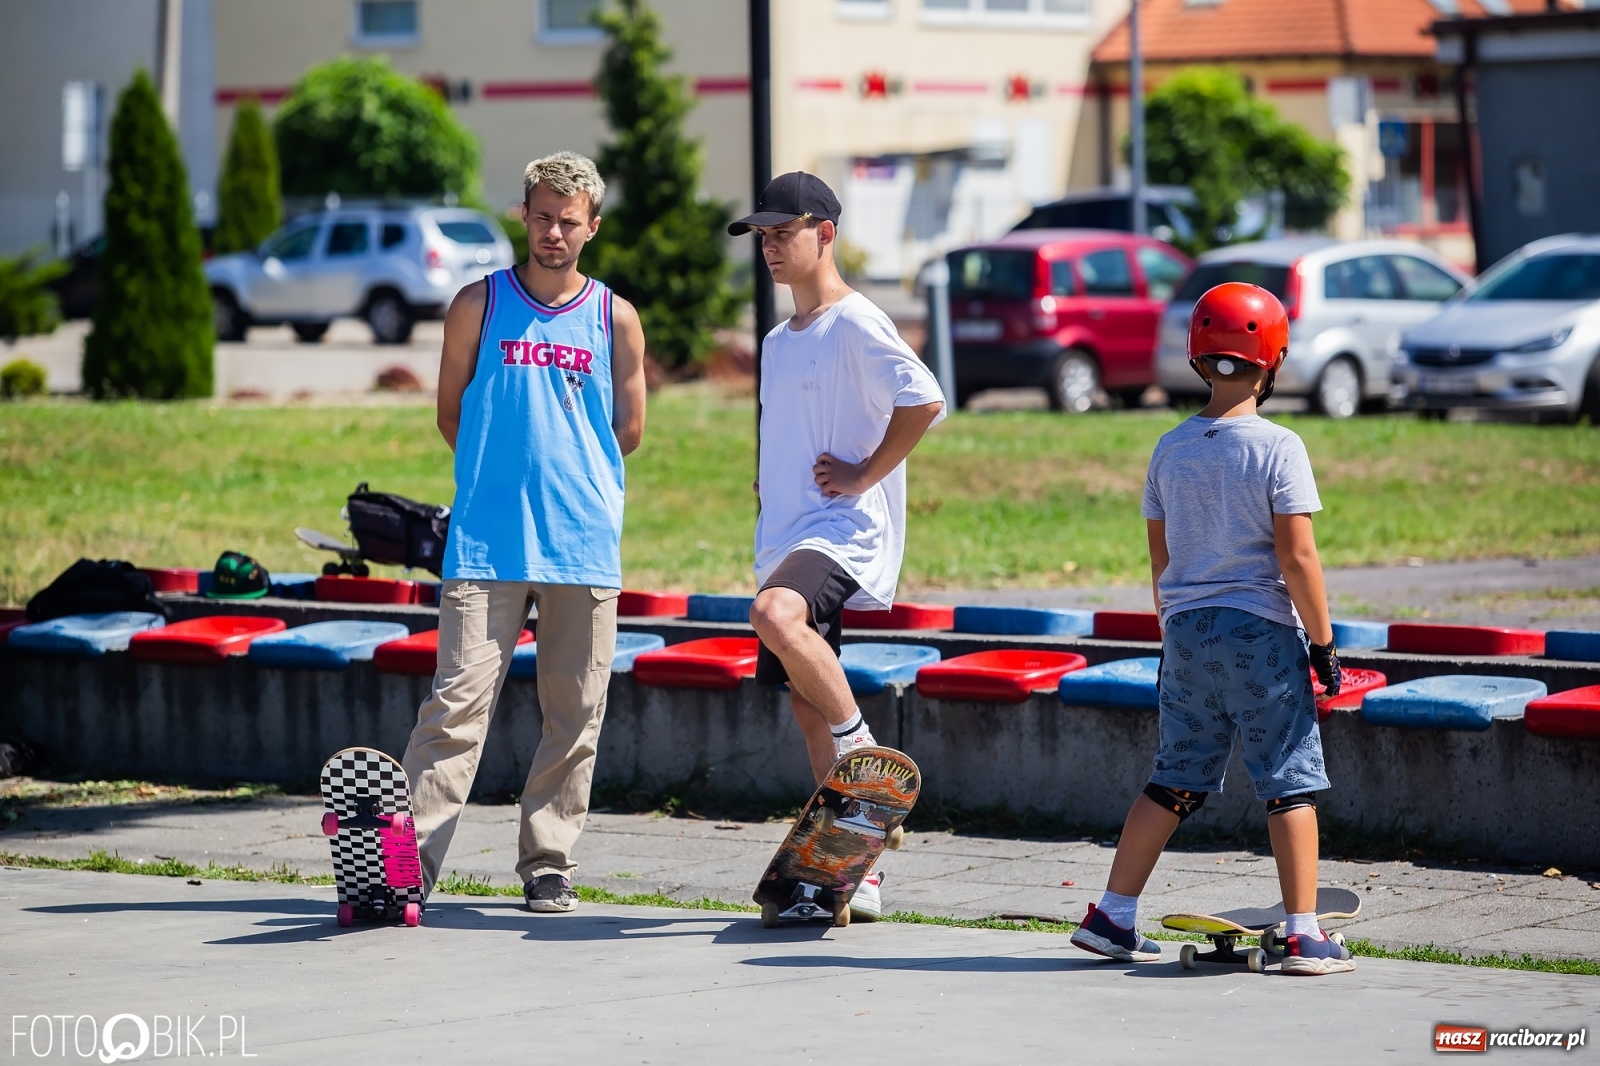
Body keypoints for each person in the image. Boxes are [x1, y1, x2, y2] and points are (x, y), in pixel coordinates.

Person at [1069, 282, 1354, 976]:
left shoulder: (1170, 449)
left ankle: (1113, 915)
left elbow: (1161, 560)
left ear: (1198, 359)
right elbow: (1297, 557)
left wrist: (1175, 630)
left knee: (1173, 780)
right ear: (1274, 360)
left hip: (1186, 634)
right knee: (1287, 781)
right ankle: (1303, 934)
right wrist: (1323, 644)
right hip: (1260, 633)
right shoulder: (1280, 447)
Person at [402, 151, 647, 915]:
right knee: (455, 707)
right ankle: (405, 866)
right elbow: (451, 412)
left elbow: (629, 429)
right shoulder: (478, 304)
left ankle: (549, 862)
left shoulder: (615, 317)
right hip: (487, 543)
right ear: (524, 216)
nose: (552, 233)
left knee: (575, 715)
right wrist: (499, 475)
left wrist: (574, 479)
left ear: (592, 226)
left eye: (568, 221)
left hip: (583, 545)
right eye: (541, 217)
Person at [731, 172, 946, 922]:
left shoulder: (856, 321)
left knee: (776, 615)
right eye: (762, 236)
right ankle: (850, 870)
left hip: (841, 530)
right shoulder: (777, 341)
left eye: (782, 233)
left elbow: (924, 398)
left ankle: (862, 749)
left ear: (824, 234)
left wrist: (865, 474)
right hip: (786, 534)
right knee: (806, 706)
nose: (769, 247)